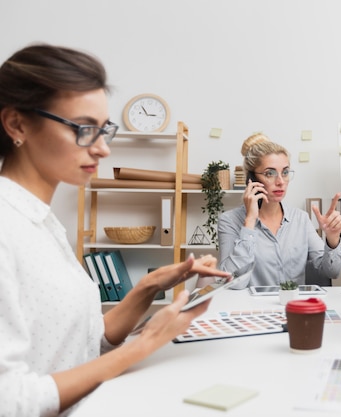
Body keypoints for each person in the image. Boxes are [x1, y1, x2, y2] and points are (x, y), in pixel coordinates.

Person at [0, 44, 230, 416]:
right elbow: (9, 400)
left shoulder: (41, 221)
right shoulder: (6, 227)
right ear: (17, 124)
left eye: (104, 130)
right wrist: (143, 345)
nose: (104, 149)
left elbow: (82, 345)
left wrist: (149, 288)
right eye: (85, 129)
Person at [211, 133, 341, 289]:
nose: (280, 182)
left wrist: (333, 239)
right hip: (253, 309)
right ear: (251, 179)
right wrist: (249, 222)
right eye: (270, 173)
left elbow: (332, 272)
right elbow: (231, 283)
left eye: (285, 172)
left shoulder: (300, 219)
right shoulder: (229, 221)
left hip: (293, 307)